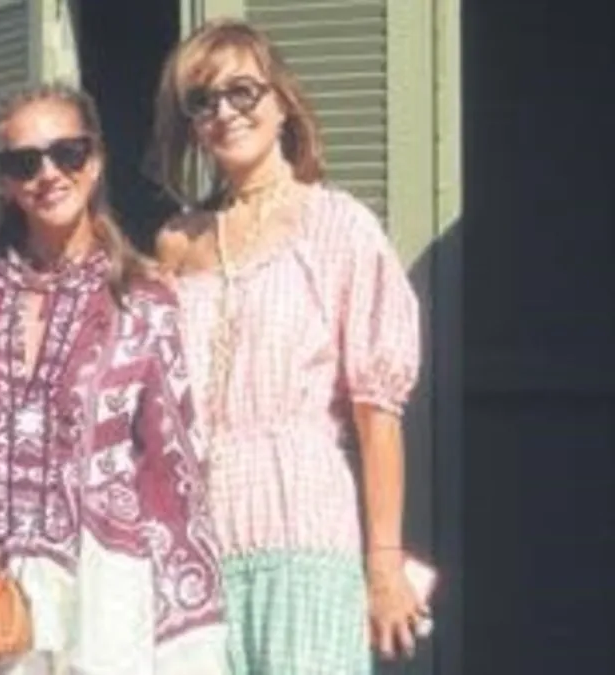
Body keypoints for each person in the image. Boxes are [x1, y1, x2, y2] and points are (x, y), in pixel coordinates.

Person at [148, 19, 425, 672]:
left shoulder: (337, 226)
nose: (225, 111)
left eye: (242, 91)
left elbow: (377, 412)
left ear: (282, 103)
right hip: (194, 547)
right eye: (203, 100)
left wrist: (385, 566)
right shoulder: (176, 242)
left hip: (303, 532)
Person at [0, 81, 226, 675]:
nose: (48, 174)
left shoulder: (143, 303)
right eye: (24, 161)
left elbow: (171, 473)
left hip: (104, 596)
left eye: (67, 153)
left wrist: (188, 630)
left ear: (95, 161)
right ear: (5, 181)